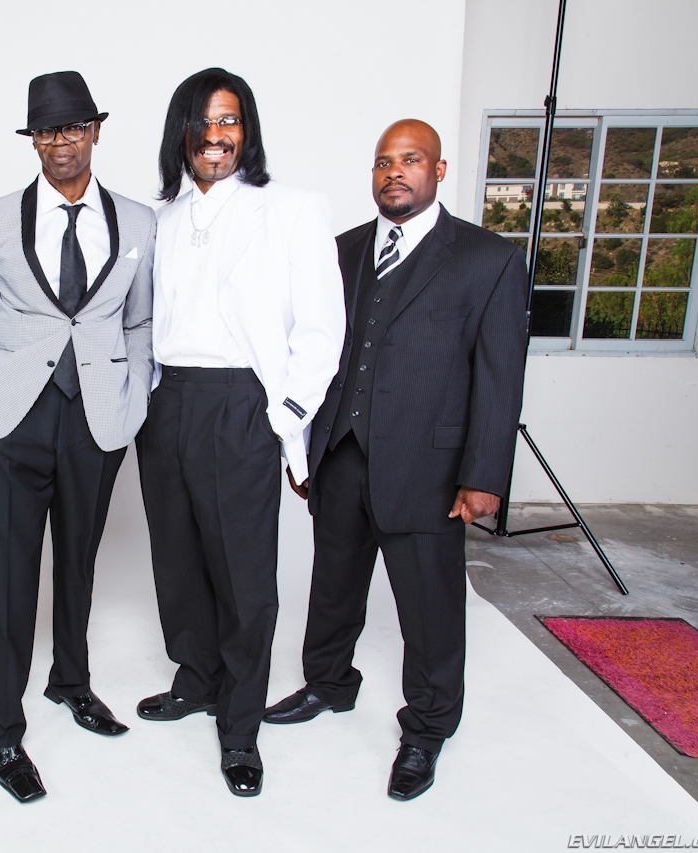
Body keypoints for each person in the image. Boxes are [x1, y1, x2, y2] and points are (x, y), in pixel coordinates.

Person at [263, 119, 530, 801]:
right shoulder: (342, 249)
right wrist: (303, 445)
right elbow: (314, 350)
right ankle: (328, 683)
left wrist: (483, 476)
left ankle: (429, 726)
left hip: (429, 468)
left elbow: (500, 377)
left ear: (438, 171)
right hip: (340, 453)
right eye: (384, 162)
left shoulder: (488, 259)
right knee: (333, 584)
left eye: (411, 160)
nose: (394, 172)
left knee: (430, 606)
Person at [136, 67, 345, 798]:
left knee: (244, 574)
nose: (215, 135)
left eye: (228, 121)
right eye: (201, 122)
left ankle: (241, 724)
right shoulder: (160, 218)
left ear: (246, 131)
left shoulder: (290, 209)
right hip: (169, 399)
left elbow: (322, 326)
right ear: (181, 134)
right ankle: (197, 677)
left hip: (240, 402)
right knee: (178, 557)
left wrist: (284, 415)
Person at [0, 71, 156, 804]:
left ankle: (71, 681)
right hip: (13, 417)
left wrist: (132, 399)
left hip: (96, 416)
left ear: (95, 131)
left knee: (78, 561)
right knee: (10, 575)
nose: (60, 141)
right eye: (46, 130)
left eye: (73, 127)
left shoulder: (138, 223)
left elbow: (139, 321)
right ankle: (2, 726)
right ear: (33, 140)